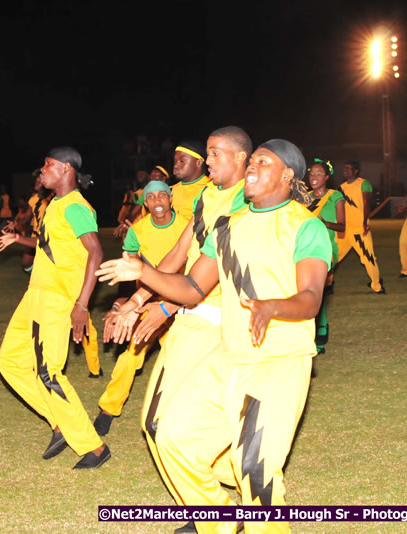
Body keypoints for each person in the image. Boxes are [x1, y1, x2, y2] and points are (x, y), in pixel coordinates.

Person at [96, 138, 331, 534]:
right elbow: (191, 287)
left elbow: (310, 297)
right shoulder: (226, 226)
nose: (252, 166)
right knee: (171, 436)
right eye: (252, 161)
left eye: (263, 161)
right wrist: (143, 274)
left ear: (288, 175)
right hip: (228, 357)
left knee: (254, 469)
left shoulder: (306, 227)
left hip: (277, 362)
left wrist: (273, 306)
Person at [104, 126, 251, 532]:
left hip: (213, 319)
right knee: (157, 424)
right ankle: (215, 504)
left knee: (160, 424)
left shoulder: (245, 202)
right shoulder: (208, 197)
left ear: (241, 157)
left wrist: (165, 305)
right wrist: (137, 300)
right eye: (208, 153)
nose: (209, 161)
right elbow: (180, 252)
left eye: (216, 154)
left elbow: (213, 273)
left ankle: (219, 516)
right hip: (190, 315)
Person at [0, 147, 110, 468]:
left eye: (48, 164)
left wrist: (82, 304)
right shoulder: (54, 204)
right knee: (10, 362)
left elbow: (96, 253)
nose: (42, 169)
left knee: (49, 372)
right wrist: (18, 239)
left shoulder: (75, 206)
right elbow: (49, 244)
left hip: (58, 298)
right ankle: (59, 422)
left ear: (67, 169)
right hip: (35, 295)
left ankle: (93, 447)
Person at [93, 180, 189, 435]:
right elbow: (127, 274)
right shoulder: (137, 230)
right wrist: (120, 303)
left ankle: (171, 415)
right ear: (145, 203)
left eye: (162, 195)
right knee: (130, 356)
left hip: (181, 303)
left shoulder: (186, 227)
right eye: (151, 197)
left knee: (179, 360)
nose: (157, 201)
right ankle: (108, 409)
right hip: (146, 302)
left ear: (170, 198)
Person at [307, 157, 345, 353]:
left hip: (327, 248)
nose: (314, 177)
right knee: (307, 290)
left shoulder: (335, 196)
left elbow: (342, 226)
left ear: (327, 177)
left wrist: (324, 223)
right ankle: (312, 330)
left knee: (317, 288)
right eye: (312, 173)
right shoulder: (304, 197)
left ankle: (320, 332)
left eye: (319, 173)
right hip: (306, 248)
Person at [335, 160, 385, 293]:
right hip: (344, 230)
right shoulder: (341, 188)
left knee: (368, 258)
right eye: (344, 168)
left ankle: (377, 286)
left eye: (348, 168)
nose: (345, 171)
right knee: (332, 258)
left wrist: (364, 223)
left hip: (359, 229)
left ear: (356, 171)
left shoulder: (364, 184)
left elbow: (366, 203)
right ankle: (327, 286)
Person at [170, 140, 211, 220]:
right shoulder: (169, 191)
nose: (176, 166)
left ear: (198, 162)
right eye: (175, 161)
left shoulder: (210, 189)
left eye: (182, 161)